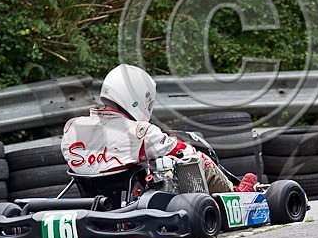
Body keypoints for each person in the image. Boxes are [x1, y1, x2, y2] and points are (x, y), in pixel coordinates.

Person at [60, 64, 257, 194]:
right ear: (136, 96)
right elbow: (184, 151)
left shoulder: (72, 128)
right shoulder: (141, 131)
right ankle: (236, 194)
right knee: (195, 158)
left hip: (95, 201)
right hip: (133, 202)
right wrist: (188, 147)